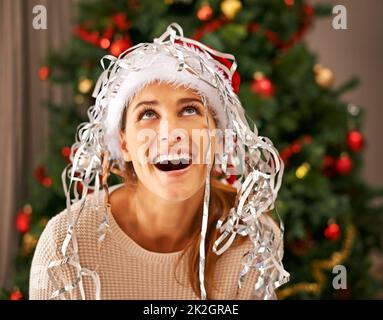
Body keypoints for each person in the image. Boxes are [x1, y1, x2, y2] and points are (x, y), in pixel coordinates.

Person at [29, 23, 289, 300]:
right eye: (148, 114)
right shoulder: (66, 245)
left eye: (190, 109)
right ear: (124, 143)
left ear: (217, 136)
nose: (169, 135)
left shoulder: (253, 238)